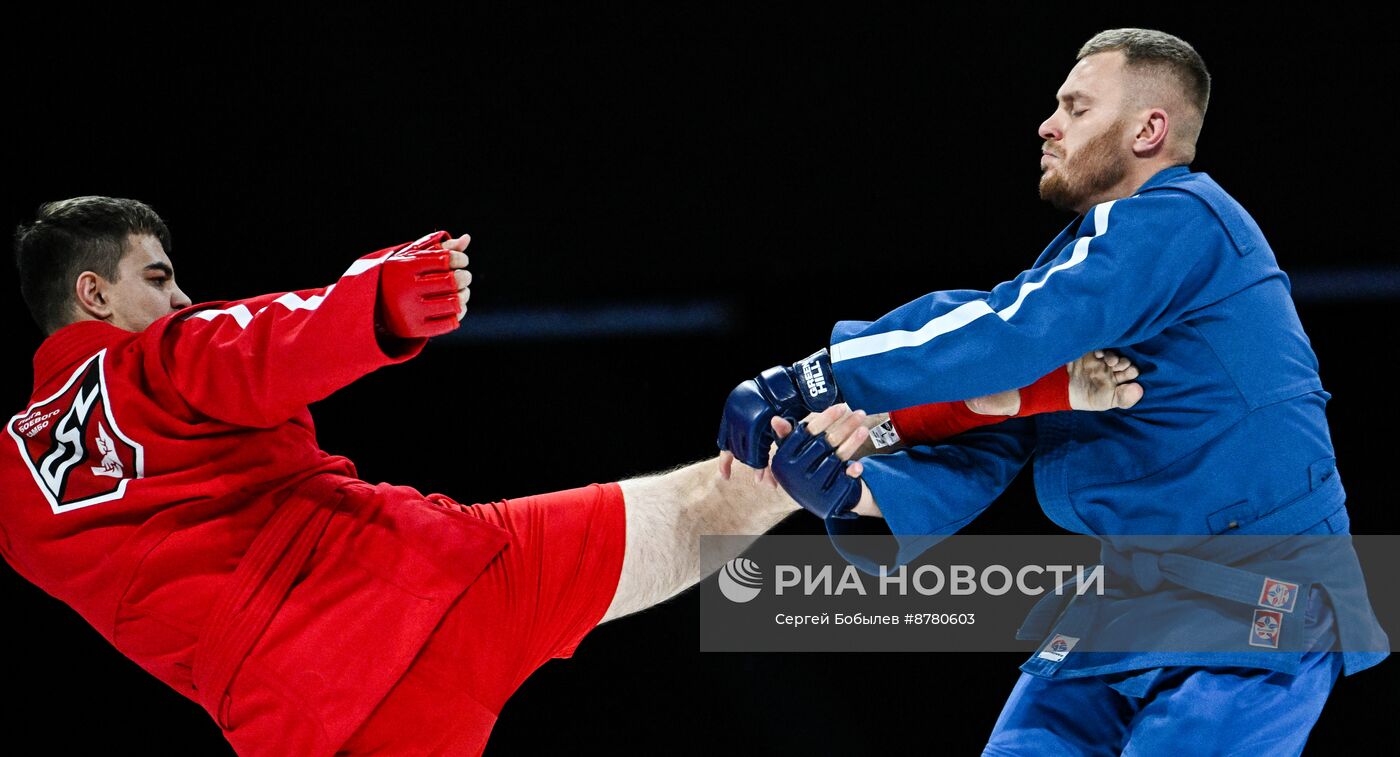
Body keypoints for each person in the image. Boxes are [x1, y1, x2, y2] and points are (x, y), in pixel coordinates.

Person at [1, 196, 1136, 756]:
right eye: (157, 278)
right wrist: (377, 301)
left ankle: (1018, 397)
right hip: (428, 582)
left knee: (741, 491)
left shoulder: (17, 510)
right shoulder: (156, 362)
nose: (180, 298)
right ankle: (1030, 390)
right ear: (95, 299)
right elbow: (248, 342)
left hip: (318, 730)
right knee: (736, 490)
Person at [718, 27, 1389, 755]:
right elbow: (993, 426)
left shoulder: (1186, 219)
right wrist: (851, 492)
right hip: (1130, 595)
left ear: (1149, 129)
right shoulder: (1085, 268)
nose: (1048, 123)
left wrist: (810, 377)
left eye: (1076, 106)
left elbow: (1007, 332)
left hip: (1260, 596)